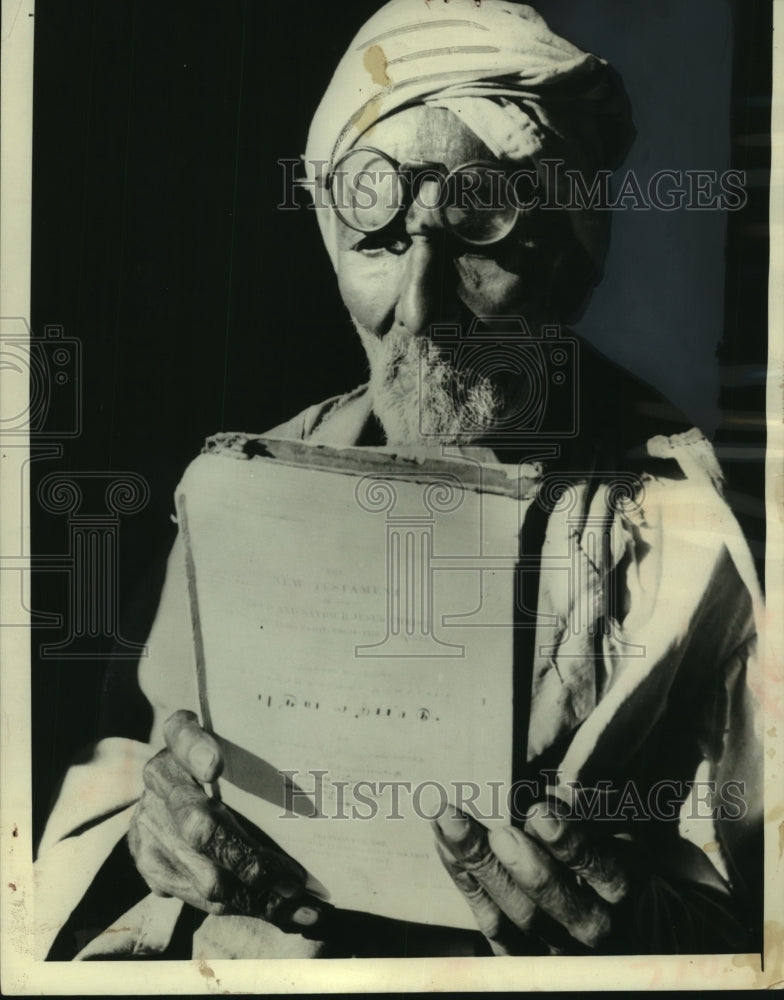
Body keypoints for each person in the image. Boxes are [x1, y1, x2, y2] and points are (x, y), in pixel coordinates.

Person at [34, 0, 763, 960]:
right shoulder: (242, 491)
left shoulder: (698, 536)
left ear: (569, 253)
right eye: (380, 244)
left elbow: (758, 898)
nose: (420, 310)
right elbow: (123, 781)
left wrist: (648, 936)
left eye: (475, 239)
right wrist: (156, 831)